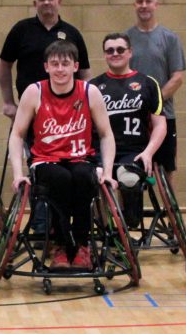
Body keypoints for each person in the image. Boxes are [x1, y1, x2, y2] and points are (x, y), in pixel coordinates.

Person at [8, 41, 115, 270]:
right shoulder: (34, 92)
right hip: (45, 160)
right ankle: (62, 245)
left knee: (83, 177)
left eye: (65, 64)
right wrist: (18, 174)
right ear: (46, 66)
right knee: (60, 179)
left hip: (80, 158)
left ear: (75, 66)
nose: (59, 69)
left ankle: (82, 245)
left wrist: (107, 172)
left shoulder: (90, 92)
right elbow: (17, 135)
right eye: (54, 64)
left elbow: (106, 135)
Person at [88, 33, 165, 229]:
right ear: (104, 54)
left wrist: (148, 153)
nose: (115, 53)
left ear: (130, 52)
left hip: (134, 151)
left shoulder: (148, 83)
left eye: (120, 49)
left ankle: (130, 223)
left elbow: (160, 125)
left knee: (128, 179)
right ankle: (107, 230)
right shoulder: (93, 86)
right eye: (110, 50)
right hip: (100, 151)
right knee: (96, 179)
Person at [0, 0, 90, 119]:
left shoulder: (72, 33)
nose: (46, 2)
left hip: (67, 108)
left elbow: (85, 72)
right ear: (35, 4)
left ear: (59, 2)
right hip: (29, 110)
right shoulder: (21, 29)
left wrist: (84, 101)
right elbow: (4, 65)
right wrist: (8, 102)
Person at [126, 0, 186, 186]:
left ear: (156, 5)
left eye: (148, 1)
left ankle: (169, 207)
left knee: (167, 172)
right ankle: (129, 208)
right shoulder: (126, 39)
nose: (144, 5)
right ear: (134, 5)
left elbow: (177, 78)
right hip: (133, 118)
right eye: (140, 1)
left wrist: (154, 103)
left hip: (163, 116)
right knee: (126, 172)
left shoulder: (170, 38)